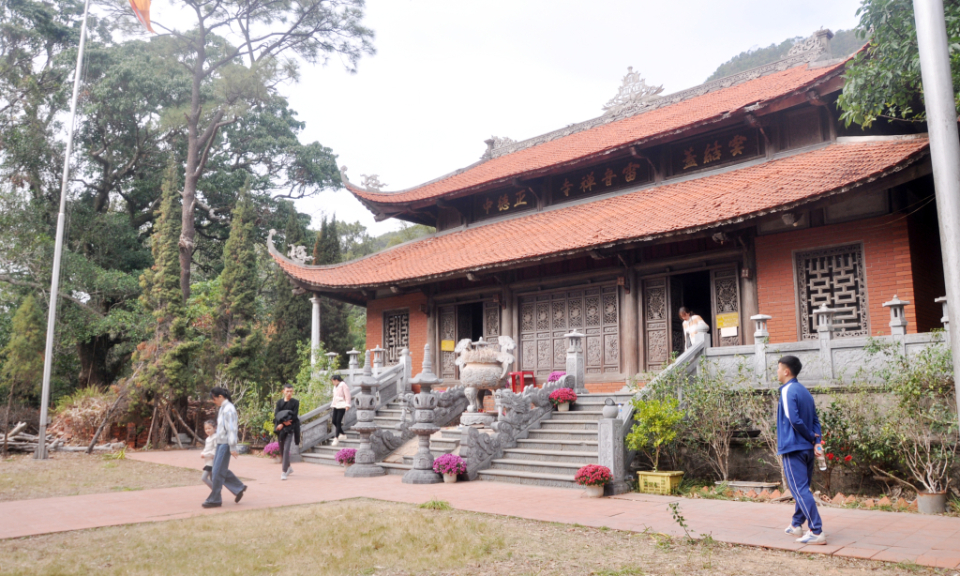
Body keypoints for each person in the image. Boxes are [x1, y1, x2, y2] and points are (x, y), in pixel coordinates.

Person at [776, 355, 827, 545]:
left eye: (779, 368)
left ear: (786, 371)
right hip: (807, 448)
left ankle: (816, 530)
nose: (777, 372)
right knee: (802, 488)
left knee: (798, 489)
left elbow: (794, 420)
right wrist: (816, 441)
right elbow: (815, 420)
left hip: (793, 446)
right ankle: (797, 524)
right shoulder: (805, 392)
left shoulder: (787, 390)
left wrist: (808, 437)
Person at [202, 387, 248, 509]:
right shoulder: (223, 408)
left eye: (214, 398)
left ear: (221, 397)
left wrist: (232, 446)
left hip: (226, 444)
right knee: (216, 470)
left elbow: (232, 429)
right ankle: (238, 487)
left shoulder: (229, 410)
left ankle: (215, 499)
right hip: (220, 443)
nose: (213, 401)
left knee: (217, 472)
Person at [274, 383, 300, 481]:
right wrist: (282, 423)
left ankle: (284, 471)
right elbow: (277, 414)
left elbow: (294, 415)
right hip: (280, 428)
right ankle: (289, 467)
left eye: (291, 391)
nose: (289, 393)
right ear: (283, 391)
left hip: (291, 428)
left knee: (286, 449)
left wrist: (284, 423)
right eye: (287, 391)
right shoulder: (279, 403)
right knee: (281, 450)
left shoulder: (295, 402)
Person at [330, 374, 351, 446]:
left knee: (338, 421)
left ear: (336, 380)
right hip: (336, 405)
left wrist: (347, 405)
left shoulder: (343, 385)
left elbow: (347, 395)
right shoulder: (335, 386)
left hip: (342, 405)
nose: (332, 382)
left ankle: (336, 438)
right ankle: (342, 433)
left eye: (333, 381)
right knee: (334, 421)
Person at [200, 419, 216, 489]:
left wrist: (205, 455)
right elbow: (206, 449)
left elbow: (215, 451)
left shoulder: (215, 437)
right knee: (212, 479)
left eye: (209, 428)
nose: (207, 430)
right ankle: (215, 495)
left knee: (204, 478)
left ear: (214, 428)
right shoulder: (207, 439)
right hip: (207, 462)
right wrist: (202, 453)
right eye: (206, 429)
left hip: (212, 462)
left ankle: (215, 491)